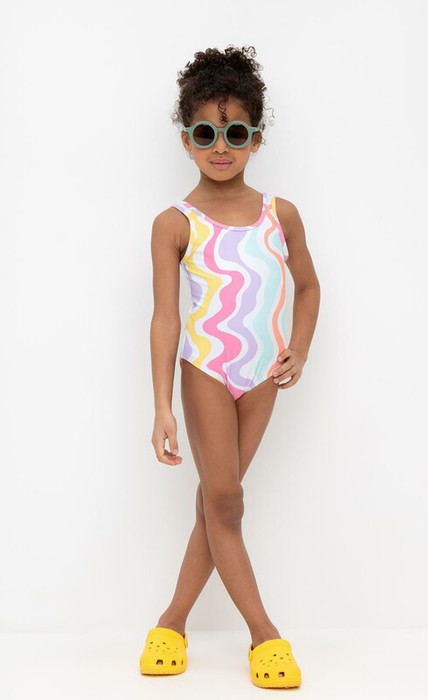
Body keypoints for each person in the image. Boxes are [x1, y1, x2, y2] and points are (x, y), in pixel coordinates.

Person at [139, 45, 320, 689]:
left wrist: (300, 345)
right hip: (208, 372)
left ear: (256, 139)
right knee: (227, 500)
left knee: (215, 505)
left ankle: (171, 623)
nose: (221, 146)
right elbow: (166, 319)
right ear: (186, 140)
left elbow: (308, 287)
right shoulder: (175, 223)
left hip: (263, 376)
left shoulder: (280, 215)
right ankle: (265, 636)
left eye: (235, 133)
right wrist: (162, 406)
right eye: (206, 134)